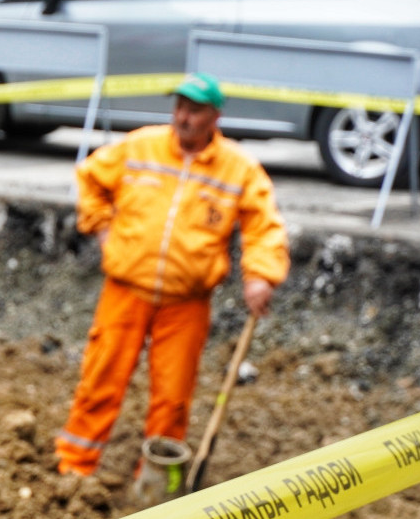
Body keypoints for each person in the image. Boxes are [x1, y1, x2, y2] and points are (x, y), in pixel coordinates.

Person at [54, 72, 290, 477]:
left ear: (214, 116)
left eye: (194, 110)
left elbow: (263, 225)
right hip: (126, 290)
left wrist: (260, 275)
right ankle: (74, 466)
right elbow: (90, 177)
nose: (183, 117)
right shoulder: (140, 146)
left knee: (173, 397)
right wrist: (102, 228)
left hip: (186, 302)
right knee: (100, 380)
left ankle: (157, 482)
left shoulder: (238, 169)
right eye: (179, 107)